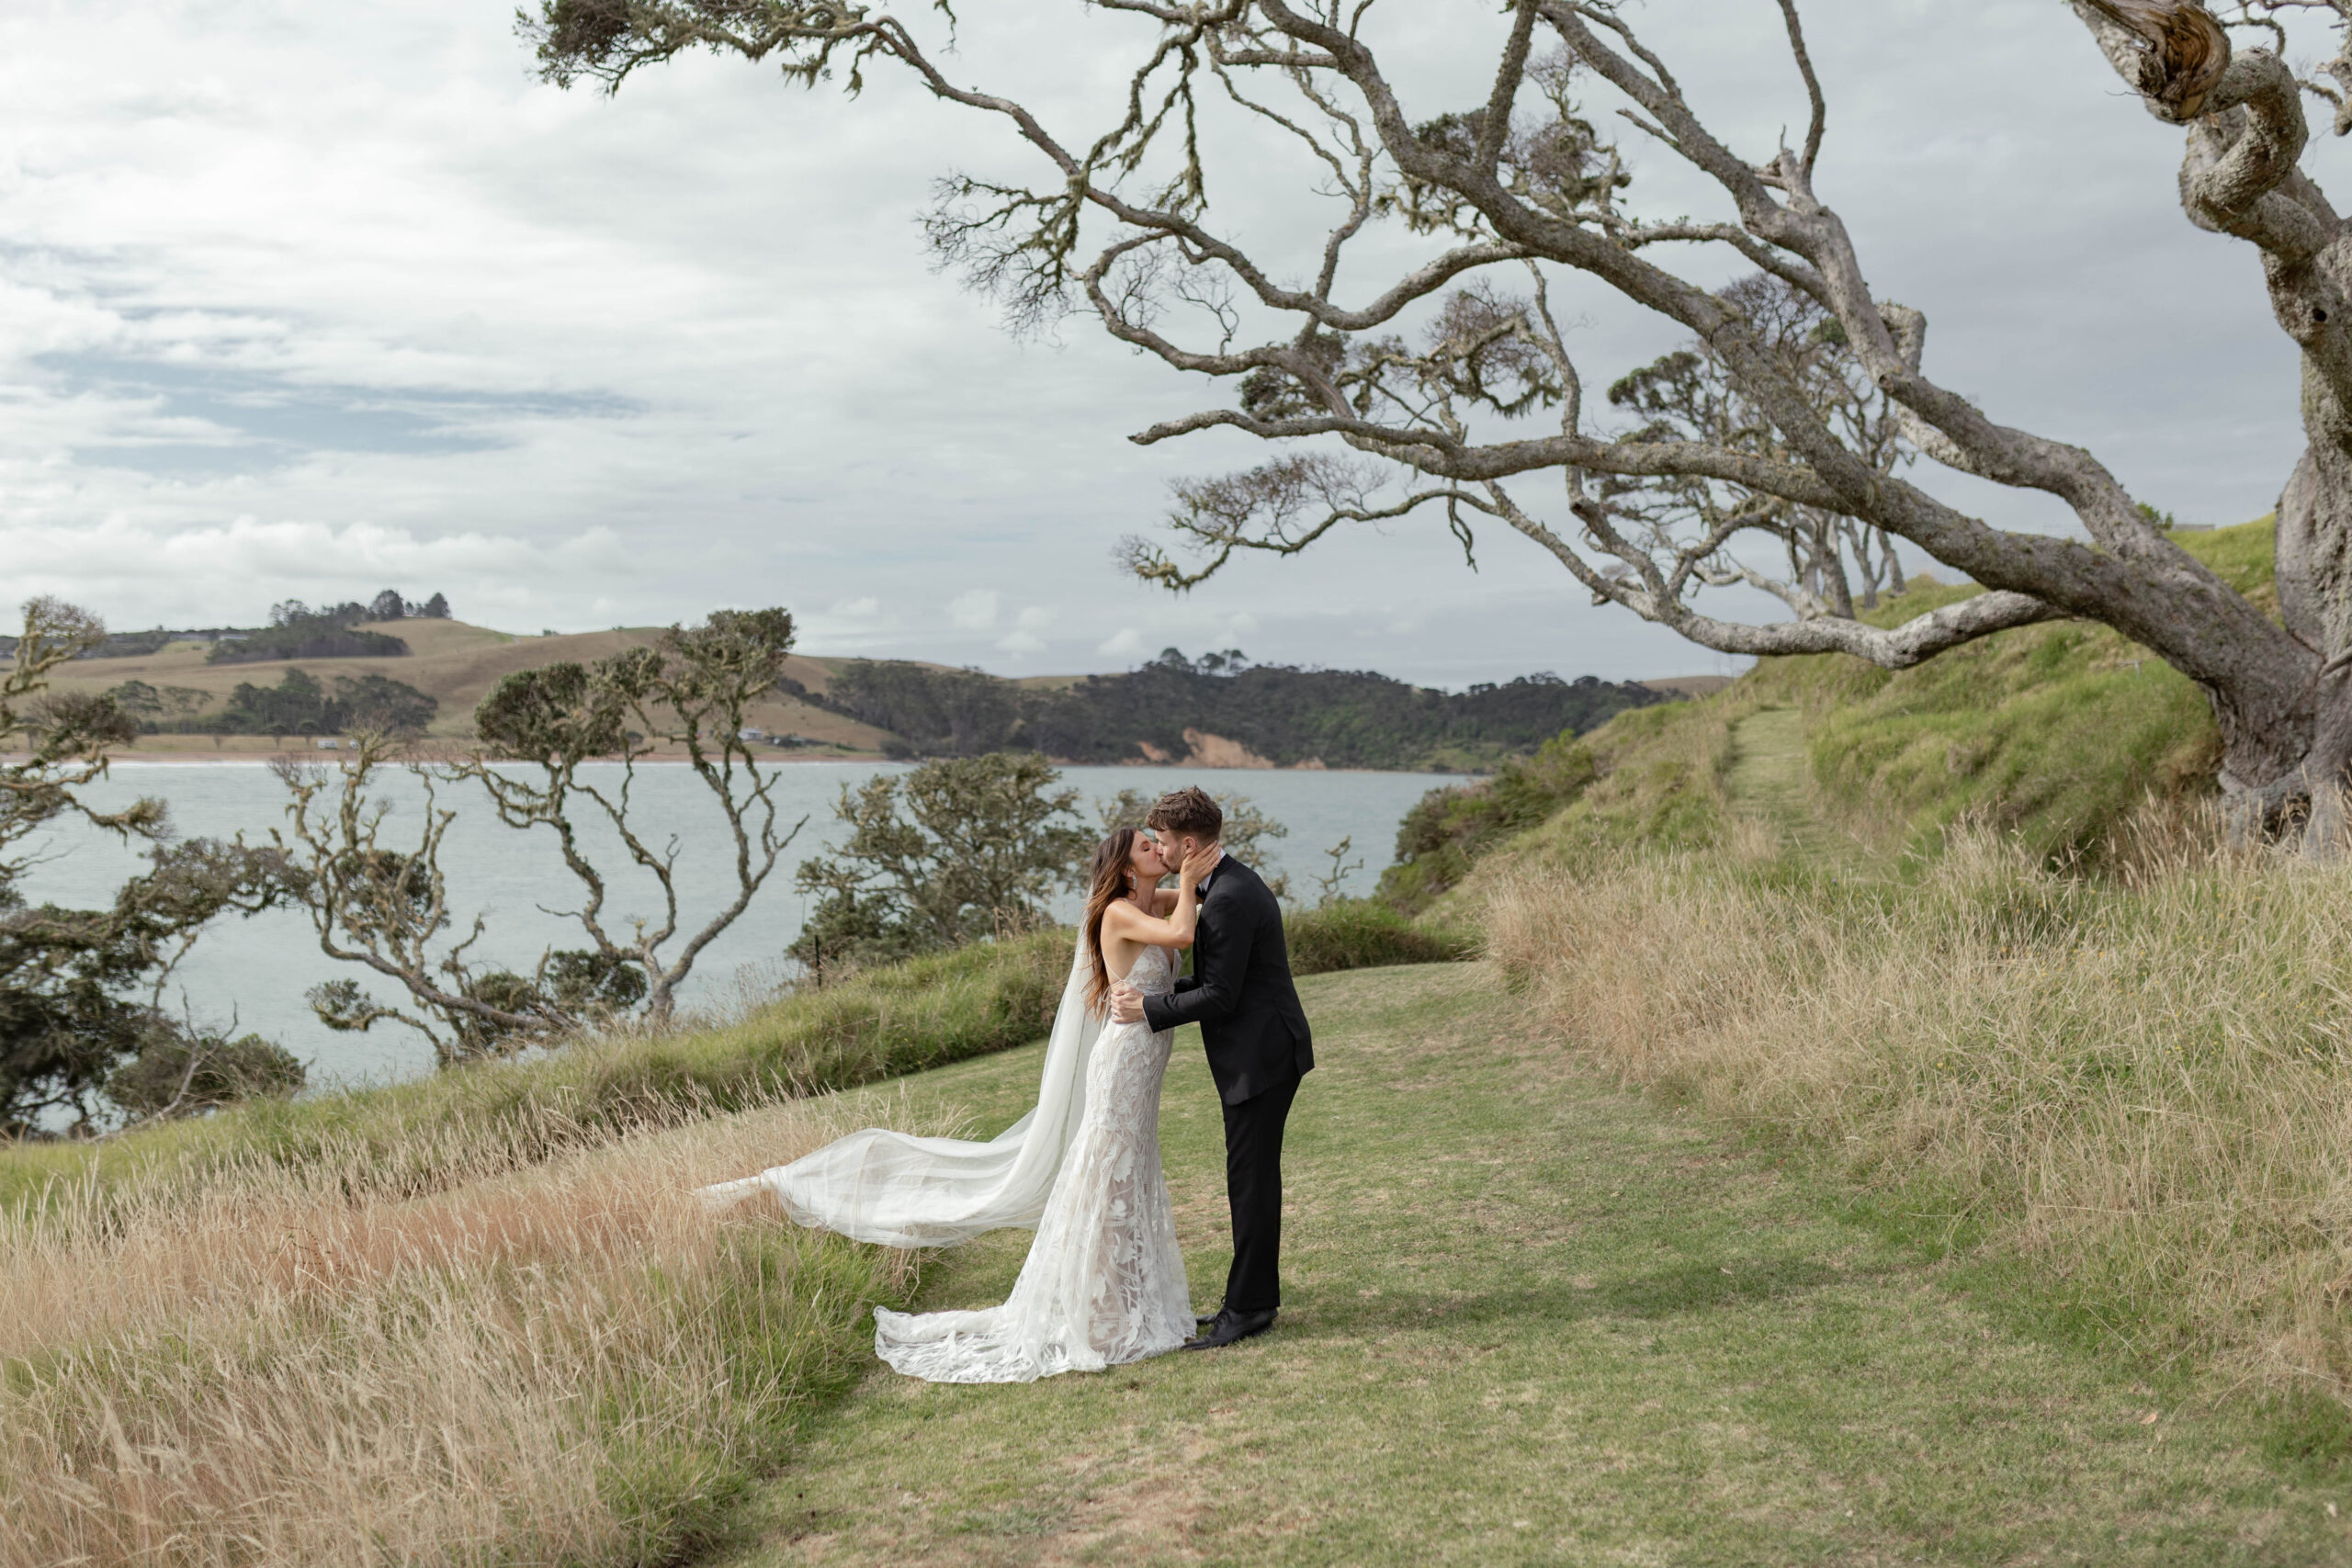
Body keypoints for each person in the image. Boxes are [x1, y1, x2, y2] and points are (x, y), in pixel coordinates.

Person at [702, 825, 1216, 1383]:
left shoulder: (1154, 899)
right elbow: (1183, 934)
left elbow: (1202, 906)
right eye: (1147, 847)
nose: (1158, 852)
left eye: (1158, 843)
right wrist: (1188, 875)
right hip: (1122, 1064)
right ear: (1123, 868)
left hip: (1146, 1065)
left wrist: (1198, 870)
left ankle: (1123, 1302)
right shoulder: (1118, 911)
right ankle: (1100, 1315)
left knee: (1131, 1176)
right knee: (1106, 1177)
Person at [1110, 785, 1313, 1351]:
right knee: (1250, 1181)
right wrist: (1163, 991)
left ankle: (1247, 1309)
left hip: (1263, 1057)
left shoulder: (1227, 898)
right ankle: (1250, 1300)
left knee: (1249, 1185)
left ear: (1189, 842)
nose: (1160, 849)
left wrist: (1149, 1007)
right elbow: (1216, 982)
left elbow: (1221, 997)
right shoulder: (1227, 884)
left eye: (1165, 842)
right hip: (1265, 1049)